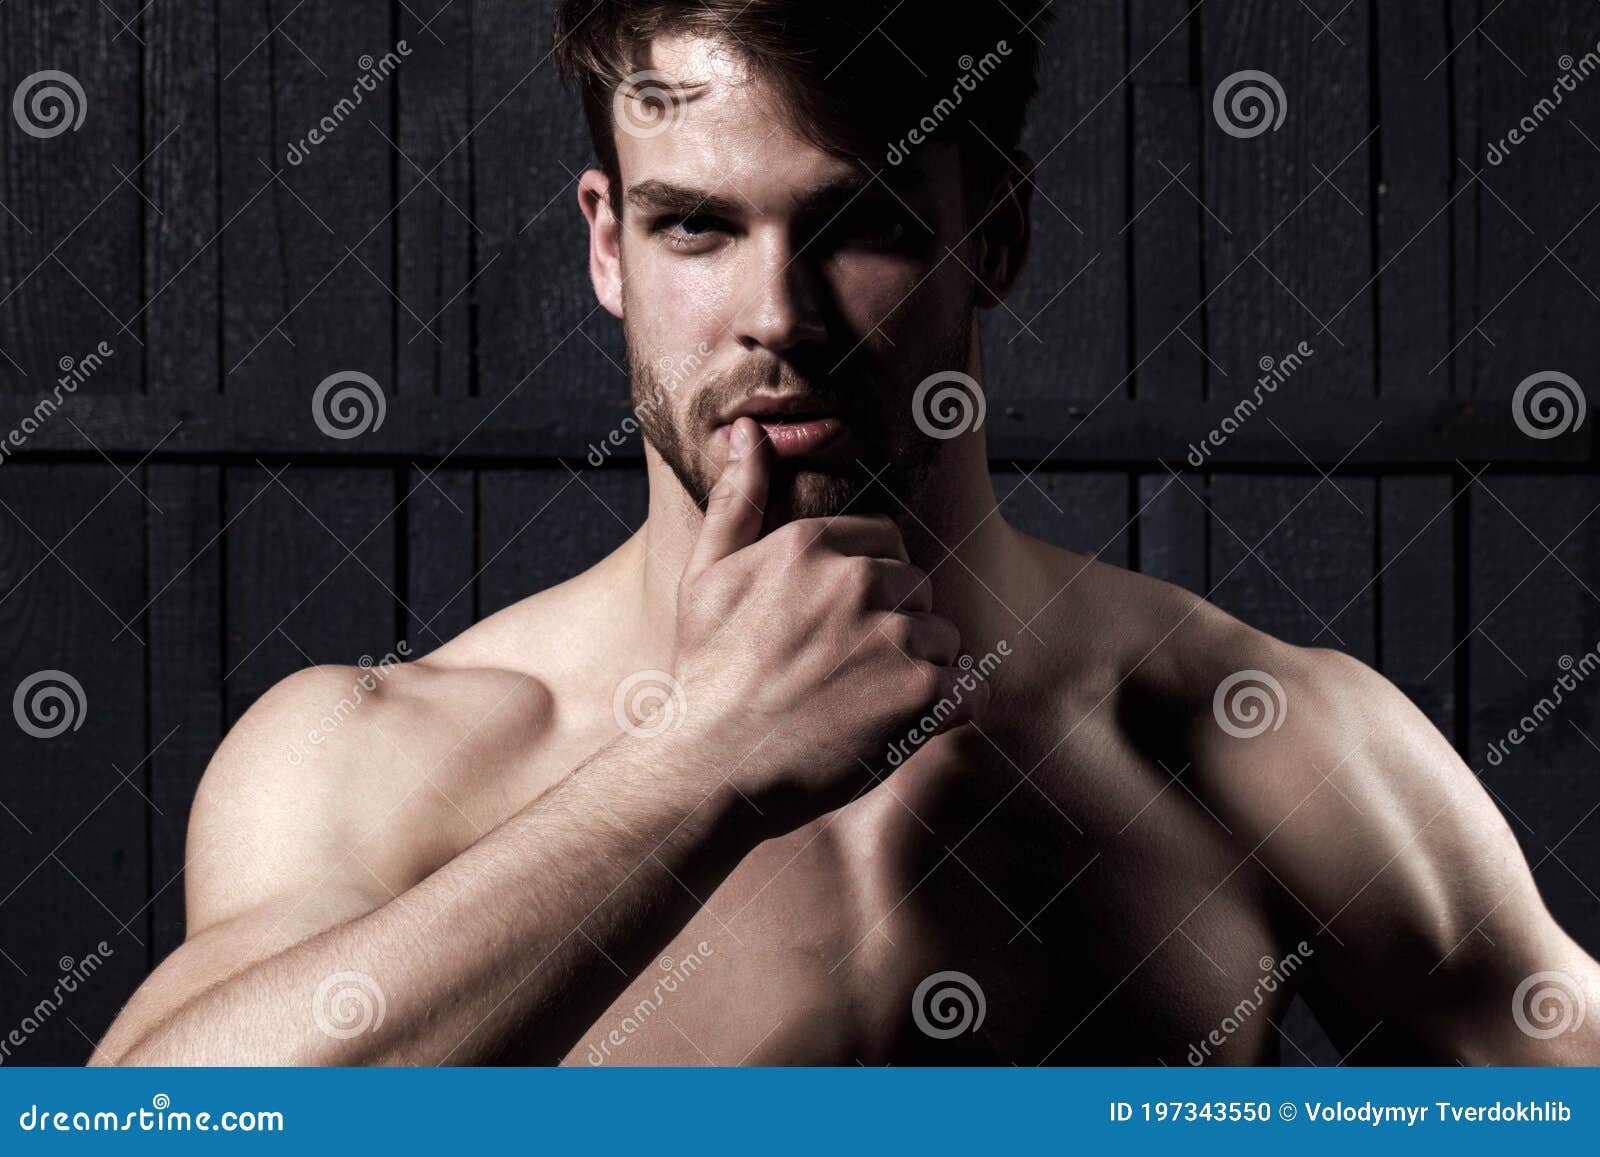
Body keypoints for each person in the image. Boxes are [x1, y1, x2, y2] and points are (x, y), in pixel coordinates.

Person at [92, 0, 1600, 1065]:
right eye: (697, 226)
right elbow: (152, 1128)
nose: (777, 319)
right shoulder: (375, 757)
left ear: (992, 233)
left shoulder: (1252, 736)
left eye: (861, 222)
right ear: (608, 243)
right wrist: (694, 766)